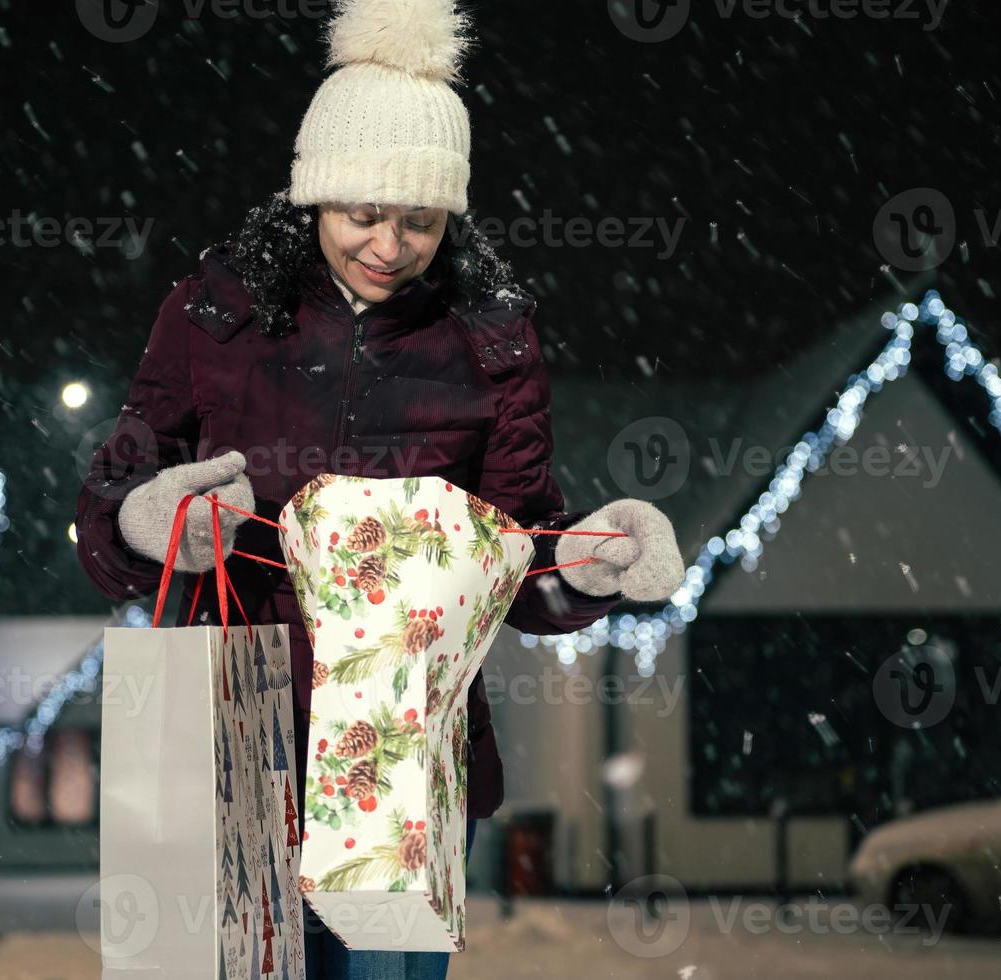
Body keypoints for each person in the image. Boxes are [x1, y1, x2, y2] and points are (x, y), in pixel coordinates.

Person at [74, 0, 685, 975]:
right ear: (315, 192)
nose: (390, 246)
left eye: (422, 220)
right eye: (364, 213)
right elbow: (107, 518)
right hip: (238, 738)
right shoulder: (214, 316)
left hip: (410, 759)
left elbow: (521, 562)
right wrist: (155, 520)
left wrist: (597, 560)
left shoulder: (493, 344)